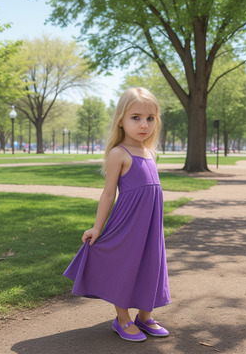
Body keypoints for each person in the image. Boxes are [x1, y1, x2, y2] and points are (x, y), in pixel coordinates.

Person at [63, 87, 171, 342]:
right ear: (121, 120)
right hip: (127, 227)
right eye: (135, 117)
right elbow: (108, 194)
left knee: (151, 265)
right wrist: (97, 228)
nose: (144, 124)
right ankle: (122, 319)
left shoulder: (150, 153)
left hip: (151, 228)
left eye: (150, 118)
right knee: (122, 266)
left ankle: (145, 316)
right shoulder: (118, 154)